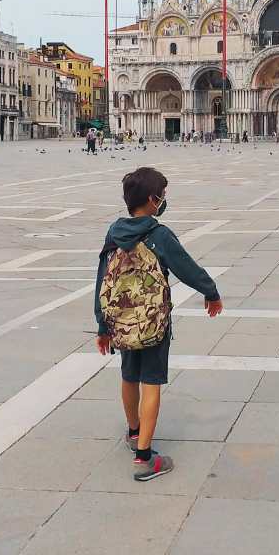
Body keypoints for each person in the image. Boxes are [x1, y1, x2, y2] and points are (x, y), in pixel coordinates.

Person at [94, 167, 223, 481]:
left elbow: (101, 278)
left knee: (129, 376)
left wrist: (102, 325)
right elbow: (186, 267)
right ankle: (144, 459)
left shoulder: (114, 231)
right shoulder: (159, 234)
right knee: (151, 383)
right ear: (152, 201)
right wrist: (211, 291)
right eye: (162, 195)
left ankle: (134, 433)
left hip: (122, 322)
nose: (164, 200)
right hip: (152, 324)